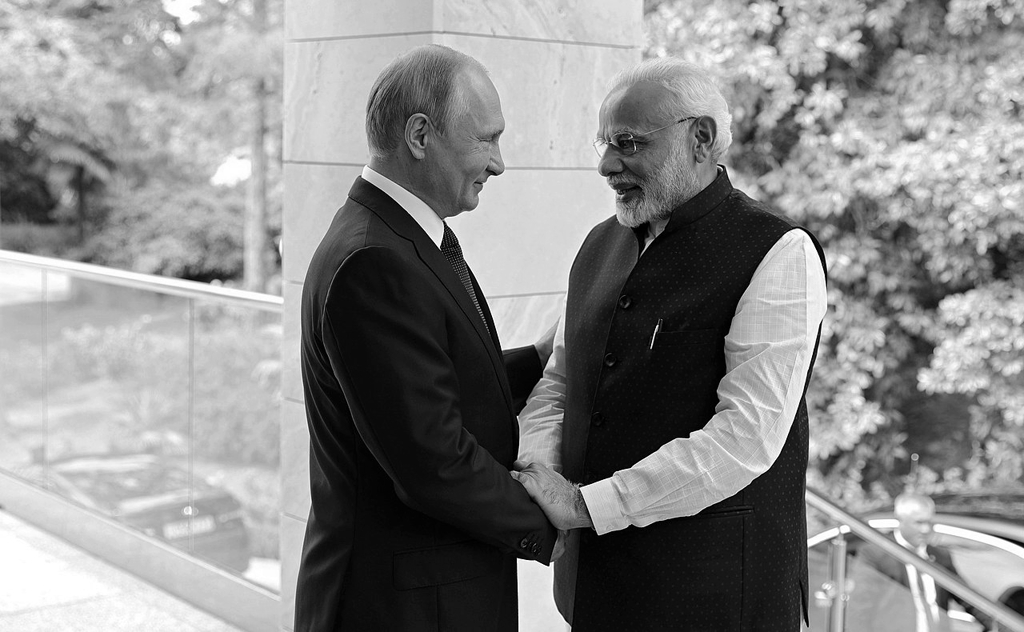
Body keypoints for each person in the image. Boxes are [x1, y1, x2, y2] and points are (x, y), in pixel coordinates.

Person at [511, 57, 828, 631]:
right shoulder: (597, 245)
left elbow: (745, 439)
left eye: (628, 143)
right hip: (594, 594)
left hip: (716, 602)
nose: (607, 165)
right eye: (604, 144)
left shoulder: (778, 251)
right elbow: (560, 383)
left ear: (700, 138)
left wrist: (584, 506)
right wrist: (539, 472)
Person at [293, 44, 560, 632]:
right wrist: (562, 526)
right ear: (419, 135)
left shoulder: (396, 237)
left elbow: (423, 387)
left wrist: (540, 360)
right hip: (402, 608)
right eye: (486, 140)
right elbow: (433, 462)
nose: (499, 164)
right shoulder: (374, 260)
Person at [853, 492, 993, 632]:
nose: (925, 529)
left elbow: (967, 597)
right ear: (900, 520)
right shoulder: (877, 555)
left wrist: (997, 624)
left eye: (929, 522)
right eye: (919, 523)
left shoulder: (939, 556)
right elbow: (860, 607)